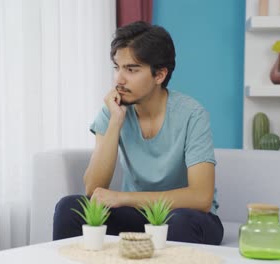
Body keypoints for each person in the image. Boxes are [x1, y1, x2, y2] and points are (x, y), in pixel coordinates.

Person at [53, 21, 223, 245]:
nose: (119, 79)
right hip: (137, 215)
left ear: (159, 75)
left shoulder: (192, 114)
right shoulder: (113, 110)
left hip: (188, 216)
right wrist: (115, 121)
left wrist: (122, 198)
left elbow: (201, 197)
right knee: (70, 208)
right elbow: (93, 187)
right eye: (117, 68)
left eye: (131, 70)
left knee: (179, 222)